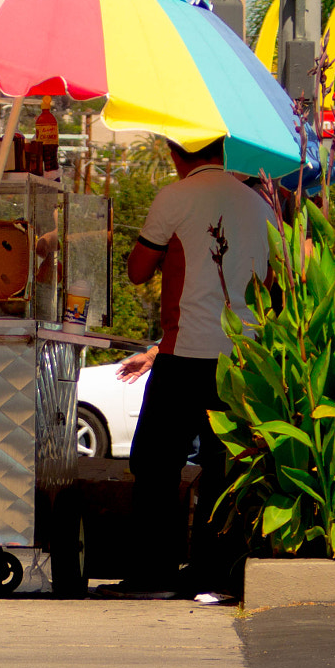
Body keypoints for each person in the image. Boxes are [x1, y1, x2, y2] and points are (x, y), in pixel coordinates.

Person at [120, 135, 282, 599]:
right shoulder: (259, 203)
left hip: (186, 352)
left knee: (155, 465)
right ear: (220, 152)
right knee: (226, 468)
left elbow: (136, 270)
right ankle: (215, 577)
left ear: (176, 154)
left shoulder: (176, 196)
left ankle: (152, 576)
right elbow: (273, 280)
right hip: (243, 357)